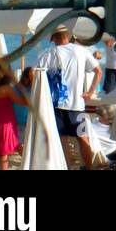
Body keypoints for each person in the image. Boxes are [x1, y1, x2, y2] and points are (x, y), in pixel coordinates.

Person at [42, 24, 102, 168]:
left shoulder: (51, 53)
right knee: (83, 139)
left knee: (62, 140)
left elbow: (34, 73)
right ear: (68, 36)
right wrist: (90, 92)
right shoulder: (82, 51)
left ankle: (68, 167)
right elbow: (98, 71)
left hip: (58, 105)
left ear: (55, 38)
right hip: (77, 105)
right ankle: (89, 168)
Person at [0, 69, 26, 170]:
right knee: (4, 153)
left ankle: (29, 160)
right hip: (5, 124)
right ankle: (29, 160)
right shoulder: (7, 89)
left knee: (2, 148)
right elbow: (20, 102)